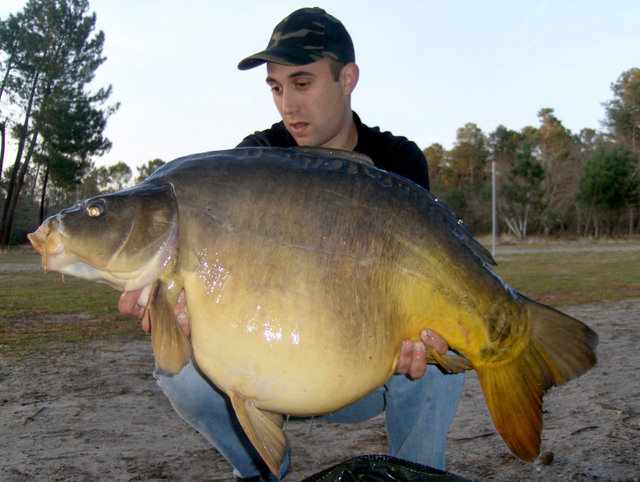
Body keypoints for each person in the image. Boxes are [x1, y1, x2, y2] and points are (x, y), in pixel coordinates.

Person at [119, 7, 465, 481]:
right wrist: (174, 311)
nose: (287, 105)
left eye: (302, 84)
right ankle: (262, 470)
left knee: (443, 362)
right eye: (277, 88)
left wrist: (419, 334)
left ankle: (415, 476)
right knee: (179, 373)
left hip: (362, 367)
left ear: (348, 78)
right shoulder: (252, 160)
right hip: (265, 368)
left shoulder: (396, 162)